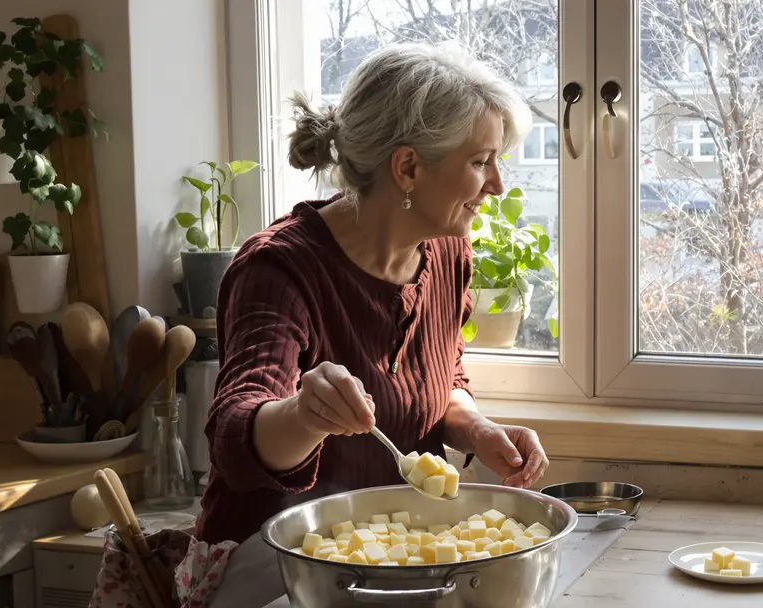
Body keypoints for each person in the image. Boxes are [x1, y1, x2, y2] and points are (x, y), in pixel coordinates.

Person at [194, 42, 550, 550]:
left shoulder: (447, 250)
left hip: (395, 555)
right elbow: (234, 438)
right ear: (407, 168)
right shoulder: (279, 269)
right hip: (276, 571)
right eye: (480, 161)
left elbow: (441, 376)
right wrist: (303, 415)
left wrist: (475, 428)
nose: (496, 183)